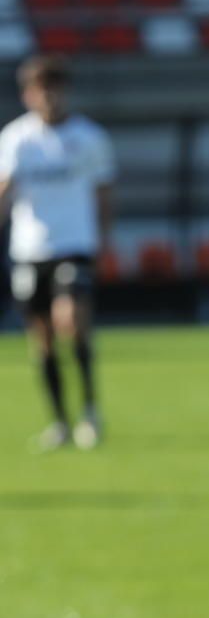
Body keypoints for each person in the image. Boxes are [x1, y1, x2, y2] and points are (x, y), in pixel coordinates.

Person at [0, 55, 115, 451]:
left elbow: (103, 194)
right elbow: (5, 191)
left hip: (74, 246)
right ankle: (60, 422)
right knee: (42, 340)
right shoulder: (15, 139)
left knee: (72, 321)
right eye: (40, 89)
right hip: (30, 250)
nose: (48, 97)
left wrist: (102, 241)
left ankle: (89, 410)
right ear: (28, 94)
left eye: (54, 88)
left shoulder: (89, 138)